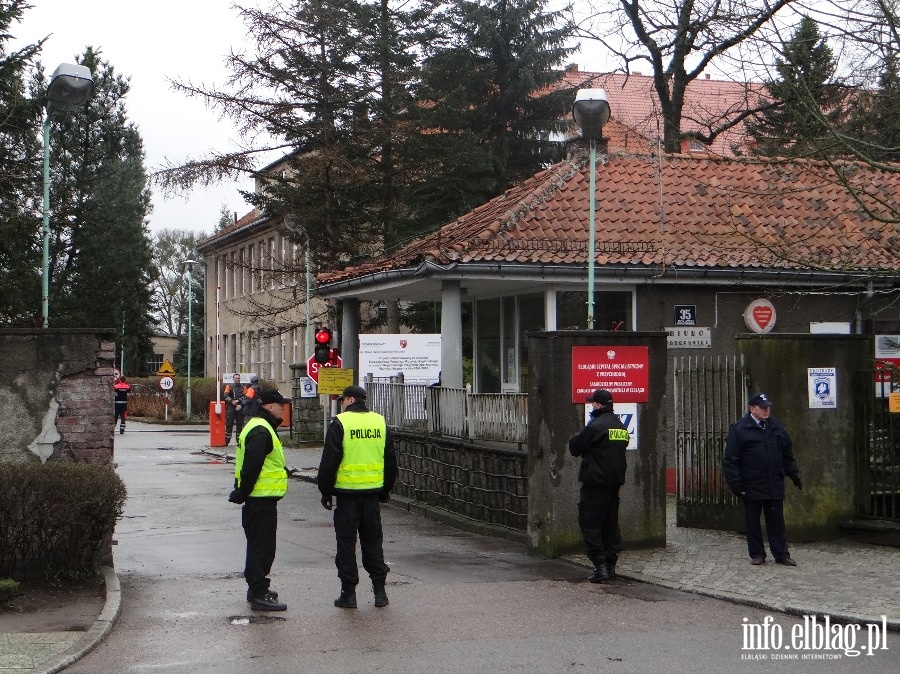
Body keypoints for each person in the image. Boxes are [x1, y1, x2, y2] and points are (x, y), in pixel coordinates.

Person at [317, 385, 397, 609]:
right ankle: (380, 592)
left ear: (350, 399)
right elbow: (390, 460)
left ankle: (348, 594)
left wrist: (325, 490)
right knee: (373, 543)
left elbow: (329, 461)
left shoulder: (341, 423)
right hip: (372, 496)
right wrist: (385, 490)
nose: (341, 403)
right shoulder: (379, 422)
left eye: (342, 399)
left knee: (346, 545)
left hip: (347, 496)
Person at [228, 389, 291, 611]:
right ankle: (258, 593)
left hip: (261, 499)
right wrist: (241, 493)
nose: (283, 408)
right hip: (259, 500)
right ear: (269, 407)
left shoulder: (259, 427)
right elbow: (251, 468)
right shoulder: (262, 430)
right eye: (280, 405)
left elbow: (261, 464)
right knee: (261, 548)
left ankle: (258, 587)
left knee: (260, 546)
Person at [723, 393, 802, 567]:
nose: (767, 410)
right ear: (752, 408)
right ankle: (757, 553)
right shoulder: (740, 429)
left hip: (774, 481)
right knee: (753, 522)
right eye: (762, 407)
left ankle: (781, 553)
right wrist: (735, 482)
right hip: (751, 483)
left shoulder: (776, 427)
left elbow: (787, 453)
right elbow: (731, 459)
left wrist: (793, 473)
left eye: (768, 407)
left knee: (776, 520)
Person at [568, 389, 629, 583]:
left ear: (599, 405)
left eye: (593, 403)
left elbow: (575, 447)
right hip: (614, 484)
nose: (592, 406)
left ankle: (600, 567)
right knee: (610, 524)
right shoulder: (620, 426)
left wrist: (575, 437)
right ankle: (610, 566)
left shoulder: (595, 426)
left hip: (595, 483)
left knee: (590, 523)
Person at [222, 373, 246, 445]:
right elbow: (225, 395)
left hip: (239, 407)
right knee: (229, 424)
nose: (237, 380)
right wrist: (231, 400)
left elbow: (245, 396)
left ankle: (239, 441)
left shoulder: (243, 387)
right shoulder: (229, 386)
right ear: (233, 379)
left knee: (240, 424)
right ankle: (226, 440)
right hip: (231, 407)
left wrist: (238, 401)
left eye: (238, 378)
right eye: (236, 378)